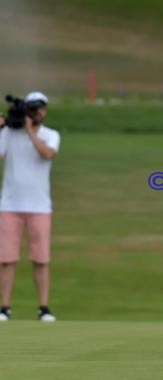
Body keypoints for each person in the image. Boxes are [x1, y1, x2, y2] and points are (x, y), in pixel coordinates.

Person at [0, 91, 60, 322]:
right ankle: (4, 307)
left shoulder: (50, 135)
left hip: (40, 206)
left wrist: (30, 133)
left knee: (41, 259)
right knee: (7, 259)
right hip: (10, 204)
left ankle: (43, 307)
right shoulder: (9, 135)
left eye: (39, 109)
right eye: (33, 110)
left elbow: (46, 155)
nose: (37, 114)